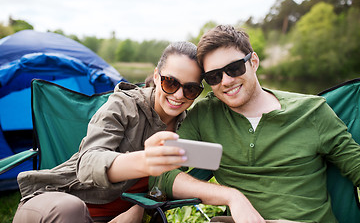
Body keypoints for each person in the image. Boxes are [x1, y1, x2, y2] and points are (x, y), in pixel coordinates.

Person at [151, 25, 360, 223]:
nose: (225, 81)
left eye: (234, 68)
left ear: (254, 62)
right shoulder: (206, 116)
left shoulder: (311, 112)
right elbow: (162, 173)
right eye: (214, 76)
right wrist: (232, 196)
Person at [13, 41, 207, 223]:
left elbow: (165, 185)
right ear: (156, 76)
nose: (179, 95)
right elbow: (88, 163)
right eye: (170, 82)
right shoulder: (124, 105)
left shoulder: (188, 128)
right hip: (57, 201)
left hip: (114, 217)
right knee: (70, 209)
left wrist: (137, 209)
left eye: (190, 89)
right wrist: (147, 161)